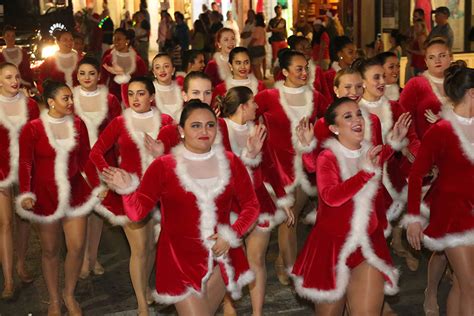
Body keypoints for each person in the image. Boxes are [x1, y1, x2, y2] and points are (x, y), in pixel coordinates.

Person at [102, 99, 260, 315]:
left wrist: (231, 233)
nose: (204, 131)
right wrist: (128, 190)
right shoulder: (163, 166)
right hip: (179, 261)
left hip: (221, 257)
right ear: (181, 130)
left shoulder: (231, 162)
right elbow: (137, 212)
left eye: (210, 125)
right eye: (195, 125)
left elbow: (251, 206)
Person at [290, 97, 400, 316]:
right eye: (347, 117)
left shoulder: (370, 152)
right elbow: (330, 196)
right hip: (332, 249)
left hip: (369, 245)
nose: (357, 119)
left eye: (359, 113)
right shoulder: (327, 157)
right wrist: (365, 173)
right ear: (334, 128)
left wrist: (394, 143)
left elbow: (379, 156)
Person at [16, 80, 102, 316]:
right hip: (44, 196)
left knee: (75, 247)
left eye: (71, 97)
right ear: (50, 102)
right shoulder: (33, 128)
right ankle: (54, 299)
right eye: (66, 98)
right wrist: (25, 193)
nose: (71, 102)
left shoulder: (78, 123)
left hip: (75, 193)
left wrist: (96, 186)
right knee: (50, 250)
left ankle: (69, 293)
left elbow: (86, 158)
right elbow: (25, 163)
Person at [89, 77, 173, 315]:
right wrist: (112, 176)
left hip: (161, 194)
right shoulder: (119, 122)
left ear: (152, 96)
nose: (135, 98)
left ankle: (146, 287)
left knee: (151, 246)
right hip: (130, 193)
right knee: (138, 249)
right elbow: (96, 153)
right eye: (132, 94)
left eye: (141, 93)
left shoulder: (166, 121)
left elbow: (177, 149)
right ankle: (141, 304)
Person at [216, 87, 294, 316]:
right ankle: (230, 309)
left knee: (256, 258)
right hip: (230, 203)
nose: (257, 106)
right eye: (253, 102)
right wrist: (248, 154)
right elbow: (225, 166)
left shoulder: (259, 129)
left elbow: (270, 165)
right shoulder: (220, 127)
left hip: (258, 200)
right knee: (230, 258)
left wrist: (283, 199)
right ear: (242, 106)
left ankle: (257, 313)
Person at [405, 61, 474, 316]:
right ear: (472, 93)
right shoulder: (441, 130)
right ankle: (430, 292)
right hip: (452, 213)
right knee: (470, 285)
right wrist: (413, 218)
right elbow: (415, 175)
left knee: (462, 283)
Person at [254, 50, 328, 285]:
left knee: (293, 217)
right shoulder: (269, 96)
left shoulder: (315, 96)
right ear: (284, 72)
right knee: (290, 220)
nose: (304, 72)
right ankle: (292, 267)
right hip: (278, 168)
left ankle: (281, 262)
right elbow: (246, 115)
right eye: (298, 69)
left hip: (306, 167)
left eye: (306, 67)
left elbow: (330, 120)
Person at [356, 57, 420, 236]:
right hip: (362, 177)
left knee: (388, 223)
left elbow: (412, 137)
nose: (383, 81)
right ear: (363, 82)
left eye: (383, 76)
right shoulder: (353, 110)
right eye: (376, 77)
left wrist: (411, 151)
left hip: (390, 173)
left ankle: (396, 244)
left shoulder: (394, 108)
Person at [72, 56, 122, 280]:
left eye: (91, 73)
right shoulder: (70, 97)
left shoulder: (110, 99)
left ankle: (93, 257)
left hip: (103, 161)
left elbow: (119, 129)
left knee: (99, 212)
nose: (86, 78)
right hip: (78, 161)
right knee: (82, 211)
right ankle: (82, 259)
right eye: (82, 73)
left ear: (99, 76)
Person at [0, 63, 39, 299]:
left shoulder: (30, 105)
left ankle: (21, 264)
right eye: (8, 77)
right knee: (5, 223)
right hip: (1, 169)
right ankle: (8, 280)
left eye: (17, 76)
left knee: (24, 220)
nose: (14, 80)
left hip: (25, 169)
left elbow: (36, 138)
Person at [400, 37, 453, 140]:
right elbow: (403, 119)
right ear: (426, 61)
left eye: (442, 56)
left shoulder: (460, 84)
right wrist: (415, 148)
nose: (437, 60)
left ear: (451, 57)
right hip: (424, 149)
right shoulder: (415, 84)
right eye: (431, 57)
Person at [100, 28, 148, 103]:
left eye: (118, 39)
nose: (115, 42)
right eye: (114, 39)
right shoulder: (108, 58)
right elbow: (103, 79)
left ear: (127, 41)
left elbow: (143, 80)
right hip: (114, 97)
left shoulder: (136, 59)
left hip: (133, 98)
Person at [150, 53, 183, 121]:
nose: (162, 70)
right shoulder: (149, 90)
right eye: (157, 67)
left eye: (166, 66)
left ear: (173, 70)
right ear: (154, 72)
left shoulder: (181, 89)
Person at [324, 36, 357, 101]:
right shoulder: (329, 76)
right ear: (339, 54)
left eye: (355, 52)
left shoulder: (355, 72)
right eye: (350, 52)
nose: (354, 56)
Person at [267, 5, 288, 69]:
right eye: (278, 10)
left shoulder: (283, 20)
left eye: (280, 10)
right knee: (275, 56)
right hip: (275, 41)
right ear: (275, 11)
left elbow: (284, 30)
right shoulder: (272, 21)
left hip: (282, 40)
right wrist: (274, 30)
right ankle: (274, 69)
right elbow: (268, 29)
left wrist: (287, 38)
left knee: (285, 56)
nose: (279, 11)